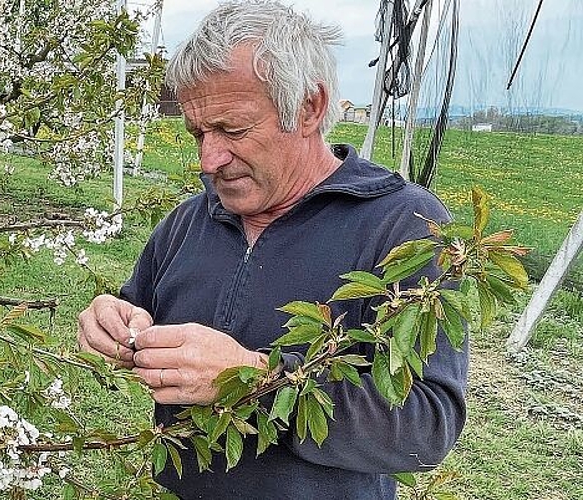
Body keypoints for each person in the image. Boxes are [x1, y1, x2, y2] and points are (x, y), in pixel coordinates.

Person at [76, 1, 468, 499]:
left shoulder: (404, 227)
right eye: (198, 132)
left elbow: (426, 430)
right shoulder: (190, 221)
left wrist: (255, 383)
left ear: (309, 108)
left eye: (234, 130)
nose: (209, 159)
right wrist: (112, 320)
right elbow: (137, 310)